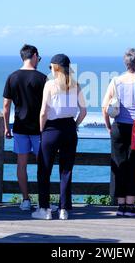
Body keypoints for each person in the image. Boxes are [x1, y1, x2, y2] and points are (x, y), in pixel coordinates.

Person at [32, 54, 87, 220]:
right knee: (66, 170)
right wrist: (74, 125)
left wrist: (42, 131)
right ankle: (64, 209)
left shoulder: (50, 85)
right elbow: (83, 112)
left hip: (51, 129)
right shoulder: (76, 85)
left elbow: (43, 112)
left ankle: (45, 209)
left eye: (50, 67)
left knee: (44, 170)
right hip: (69, 128)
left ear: (56, 68)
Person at [102, 49, 135, 217]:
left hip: (118, 127)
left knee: (119, 163)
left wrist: (109, 126)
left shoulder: (116, 81)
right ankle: (130, 206)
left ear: (125, 62)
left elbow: (105, 106)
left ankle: (120, 205)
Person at [3, 44, 47, 211]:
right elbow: (48, 105)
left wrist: (7, 127)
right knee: (43, 165)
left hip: (19, 127)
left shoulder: (12, 77)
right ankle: (43, 201)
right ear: (34, 55)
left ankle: (26, 200)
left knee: (21, 164)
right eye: (39, 58)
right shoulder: (43, 78)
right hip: (39, 129)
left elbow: (6, 106)